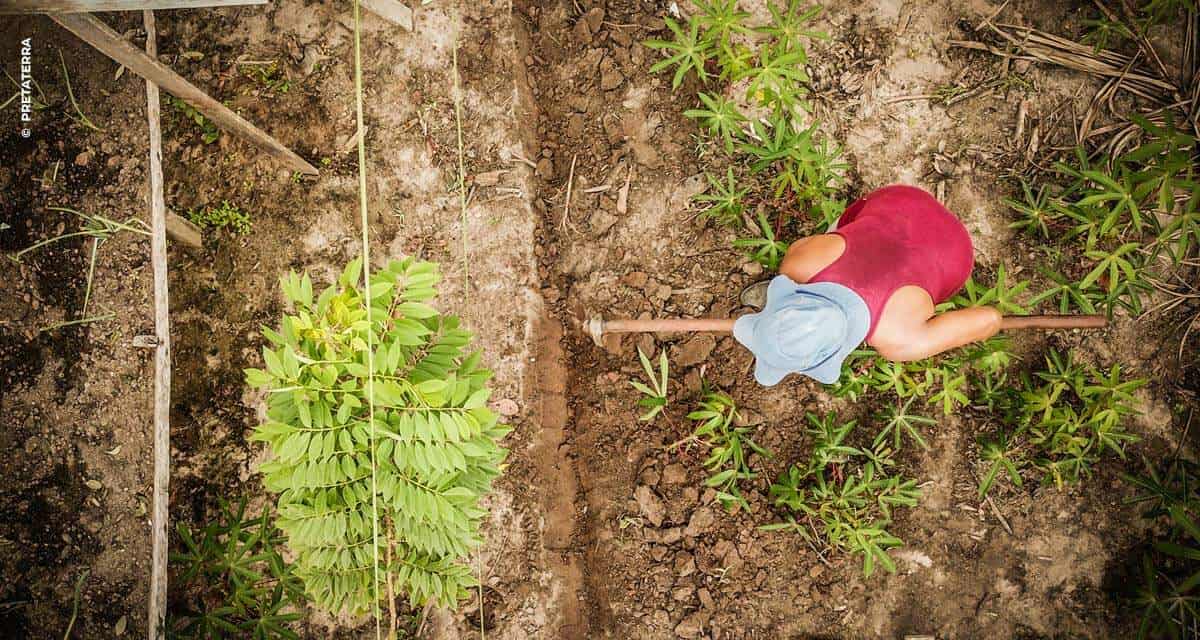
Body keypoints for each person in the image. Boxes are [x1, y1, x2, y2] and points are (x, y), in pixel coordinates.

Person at [733, 184, 1001, 386]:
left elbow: (989, 319)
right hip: (902, 201)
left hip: (955, 251)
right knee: (839, 232)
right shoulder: (799, 266)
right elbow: (800, 245)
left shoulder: (899, 340)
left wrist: (930, 332)